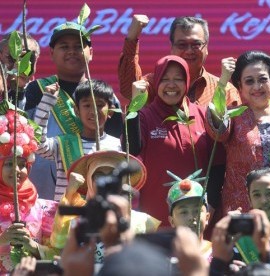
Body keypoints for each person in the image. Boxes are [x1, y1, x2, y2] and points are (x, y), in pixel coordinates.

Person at [23, 21, 123, 200]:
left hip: (96, 199)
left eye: (78, 46)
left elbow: (117, 146)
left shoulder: (103, 95)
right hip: (42, 197)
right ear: (52, 53)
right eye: (64, 46)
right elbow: (25, 140)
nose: (71, 51)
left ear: (90, 53)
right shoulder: (37, 90)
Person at [125, 55, 214, 227]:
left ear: (187, 82)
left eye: (178, 79)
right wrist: (135, 105)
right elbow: (132, 150)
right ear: (156, 82)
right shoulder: (143, 116)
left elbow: (217, 165)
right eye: (164, 79)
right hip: (155, 220)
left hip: (196, 219)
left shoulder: (202, 114)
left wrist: (211, 206)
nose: (171, 85)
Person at [206, 51, 270, 214]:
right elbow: (216, 130)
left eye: (263, 80)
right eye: (249, 81)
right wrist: (222, 81)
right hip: (241, 211)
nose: (257, 87)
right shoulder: (233, 114)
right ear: (239, 87)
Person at [49, 150, 160, 264]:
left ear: (124, 182)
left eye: (113, 175)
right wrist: (69, 193)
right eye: (98, 176)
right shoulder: (77, 220)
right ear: (89, 179)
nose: (106, 182)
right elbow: (57, 243)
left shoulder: (145, 222)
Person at [118, 15, 241, 107]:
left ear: (207, 48)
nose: (189, 51)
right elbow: (129, 90)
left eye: (196, 44)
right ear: (171, 48)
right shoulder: (153, 83)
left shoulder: (225, 89)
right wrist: (132, 37)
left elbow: (234, 135)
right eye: (182, 45)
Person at [34, 79, 121, 201]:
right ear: (76, 111)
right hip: (68, 216)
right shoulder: (62, 144)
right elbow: (37, 143)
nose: (93, 111)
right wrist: (46, 102)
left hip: (103, 216)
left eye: (100, 105)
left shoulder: (117, 146)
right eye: (87, 105)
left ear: (110, 111)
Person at [0, 110, 58, 273]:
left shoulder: (44, 209)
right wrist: (2, 241)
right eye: (9, 164)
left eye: (23, 164)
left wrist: (33, 246)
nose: (17, 170)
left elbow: (60, 257)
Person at [166, 175, 212, 261]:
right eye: (183, 212)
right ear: (172, 221)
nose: (191, 217)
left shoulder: (218, 253)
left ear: (207, 217)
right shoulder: (164, 256)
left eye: (197, 211)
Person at [0, 32, 40, 109]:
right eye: (12, 58)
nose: (19, 65)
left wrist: (18, 89)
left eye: (28, 58)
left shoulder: (43, 94)